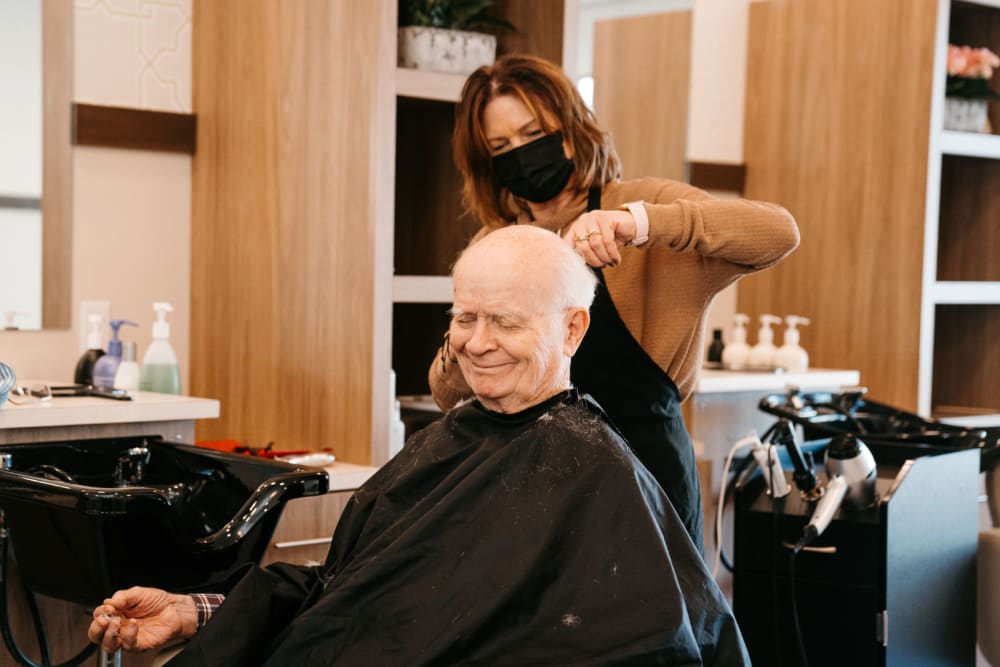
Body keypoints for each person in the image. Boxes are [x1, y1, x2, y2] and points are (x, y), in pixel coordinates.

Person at [89, 226, 749, 666]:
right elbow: (345, 591)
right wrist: (195, 611)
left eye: (506, 322)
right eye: (464, 316)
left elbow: (657, 639)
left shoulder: (598, 474)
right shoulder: (447, 441)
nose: (476, 342)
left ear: (572, 328)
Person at [429, 54, 801, 551]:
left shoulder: (643, 205)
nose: (520, 153)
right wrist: (472, 334)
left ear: (572, 128)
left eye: (533, 132)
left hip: (643, 478)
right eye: (501, 146)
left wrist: (638, 225)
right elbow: (447, 393)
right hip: (528, 480)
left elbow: (778, 231)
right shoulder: (496, 240)